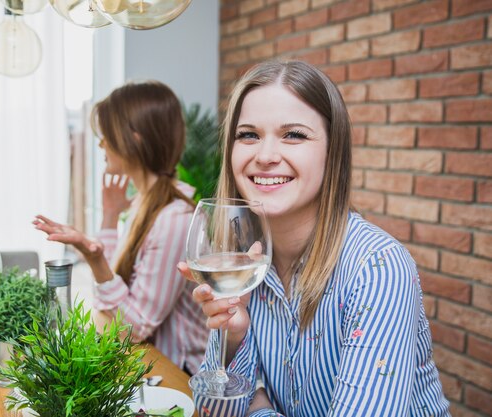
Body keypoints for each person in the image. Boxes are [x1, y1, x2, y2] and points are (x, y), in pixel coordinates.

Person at [179, 60, 450, 416]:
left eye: (294, 135)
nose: (265, 156)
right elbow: (212, 407)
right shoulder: (247, 266)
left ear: (332, 151)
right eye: (248, 135)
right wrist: (234, 338)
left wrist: (257, 406)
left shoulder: (378, 268)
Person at [34, 81, 208, 375]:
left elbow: (133, 327)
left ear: (135, 140)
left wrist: (95, 259)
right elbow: (117, 295)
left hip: (179, 375)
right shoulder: (144, 203)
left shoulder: (174, 219)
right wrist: (110, 217)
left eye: (106, 136)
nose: (101, 144)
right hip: (146, 361)